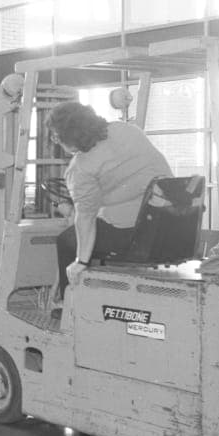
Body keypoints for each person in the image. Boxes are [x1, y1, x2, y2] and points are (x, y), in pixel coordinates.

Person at [49, 100, 172, 301]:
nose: (57, 142)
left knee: (67, 240)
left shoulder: (80, 168)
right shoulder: (127, 130)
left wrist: (81, 262)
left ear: (68, 138)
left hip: (134, 236)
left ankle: (67, 307)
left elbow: (86, 218)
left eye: (56, 137)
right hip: (169, 227)